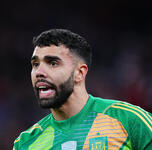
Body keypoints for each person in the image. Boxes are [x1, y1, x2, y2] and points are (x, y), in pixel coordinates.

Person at [13, 29, 152, 150]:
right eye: (35, 64)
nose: (39, 72)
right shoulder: (26, 143)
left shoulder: (129, 120)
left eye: (53, 63)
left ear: (79, 73)